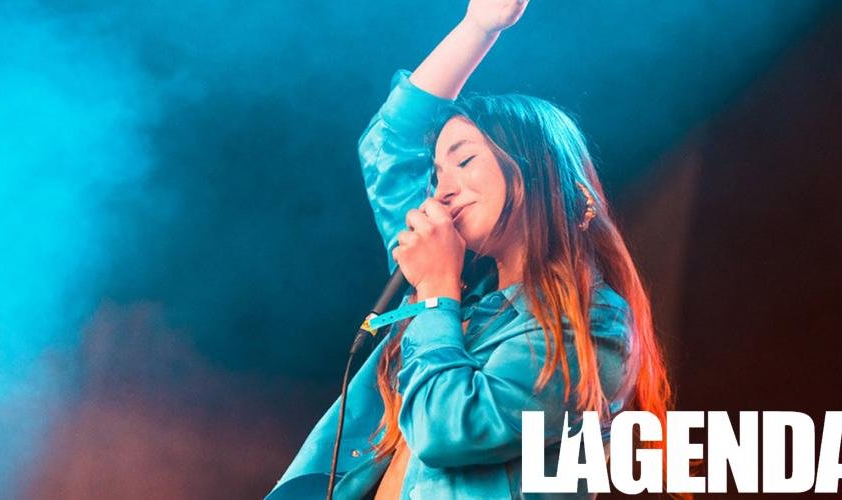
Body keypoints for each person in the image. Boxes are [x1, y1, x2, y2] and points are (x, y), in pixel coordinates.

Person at [266, 0, 672, 498]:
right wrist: (477, 27)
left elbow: (450, 430)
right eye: (437, 174)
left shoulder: (592, 325)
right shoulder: (461, 292)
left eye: (464, 162)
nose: (441, 191)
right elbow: (390, 143)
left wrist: (436, 293)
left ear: (538, 168)